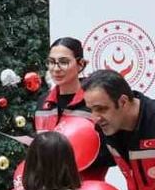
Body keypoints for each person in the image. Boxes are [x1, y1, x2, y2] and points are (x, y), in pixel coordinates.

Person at [34, 37, 115, 181]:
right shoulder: (43, 102)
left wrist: (72, 157)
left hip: (87, 185)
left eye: (64, 62)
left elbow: (112, 151)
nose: (56, 69)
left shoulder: (94, 102)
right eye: (51, 62)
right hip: (49, 186)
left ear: (80, 64)